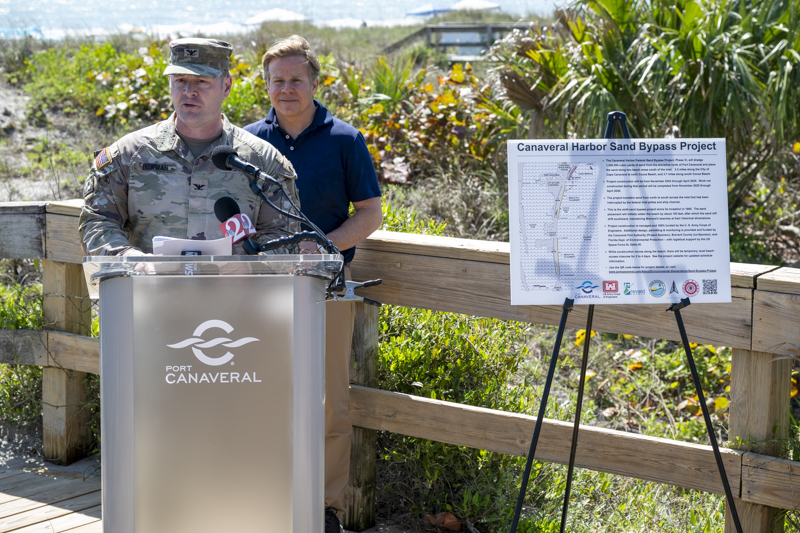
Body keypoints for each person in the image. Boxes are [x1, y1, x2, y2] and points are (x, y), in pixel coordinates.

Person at [244, 35, 382, 533]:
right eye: (277, 80)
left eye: (295, 79)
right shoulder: (248, 142)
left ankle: (326, 510)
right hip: (262, 293)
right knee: (262, 396)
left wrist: (326, 246)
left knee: (330, 407)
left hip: (328, 290)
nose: (286, 89)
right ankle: (269, 498)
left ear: (314, 82)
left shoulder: (344, 139)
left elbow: (370, 213)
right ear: (266, 85)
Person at [80, 38, 300, 257]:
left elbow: (284, 235)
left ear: (226, 86)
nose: (189, 91)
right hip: (150, 288)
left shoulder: (262, 161)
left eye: (202, 81)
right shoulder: (129, 154)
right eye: (180, 80)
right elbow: (97, 221)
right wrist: (130, 259)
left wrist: (249, 267)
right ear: (170, 84)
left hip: (235, 290)